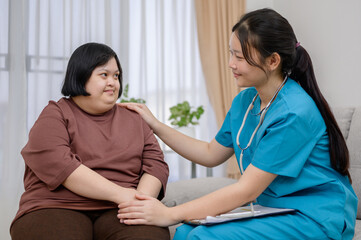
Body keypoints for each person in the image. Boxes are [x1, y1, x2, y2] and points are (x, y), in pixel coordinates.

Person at [117, 8, 358, 240]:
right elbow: (210, 153)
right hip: (272, 209)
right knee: (185, 231)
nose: (231, 64)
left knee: (202, 236)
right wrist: (155, 124)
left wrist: (168, 214)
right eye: (231, 53)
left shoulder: (294, 112)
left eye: (240, 57)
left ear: (273, 60)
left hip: (315, 216)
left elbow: (246, 190)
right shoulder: (245, 101)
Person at [10, 42, 170, 240]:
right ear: (81, 75)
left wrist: (139, 202)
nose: (112, 82)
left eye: (116, 76)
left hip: (121, 209)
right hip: (55, 205)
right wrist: (122, 195)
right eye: (104, 75)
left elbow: (155, 165)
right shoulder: (55, 114)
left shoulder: (134, 118)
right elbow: (61, 165)